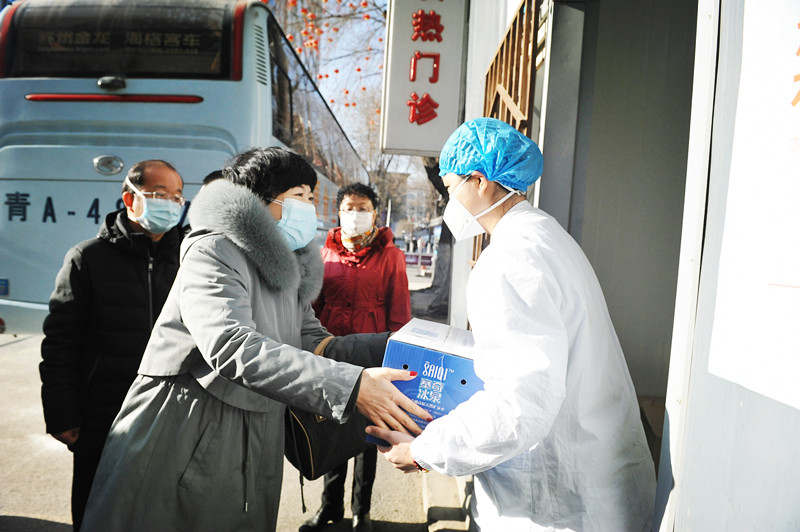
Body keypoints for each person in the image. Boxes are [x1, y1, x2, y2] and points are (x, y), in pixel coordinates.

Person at [79, 147, 430, 532]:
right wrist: (350, 386)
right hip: (188, 427)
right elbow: (230, 343)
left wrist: (392, 348)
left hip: (256, 426)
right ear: (261, 199)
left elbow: (313, 340)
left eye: (311, 198)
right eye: (299, 196)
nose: (309, 208)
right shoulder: (213, 250)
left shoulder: (286, 266)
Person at [367, 118, 657, 532]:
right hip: (596, 479)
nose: (449, 203)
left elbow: (519, 405)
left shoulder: (509, 259)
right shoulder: (547, 236)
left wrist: (424, 450)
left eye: (450, 188)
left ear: (480, 181)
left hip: (557, 502)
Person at [39, 159, 185, 530]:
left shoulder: (190, 259)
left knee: (162, 512)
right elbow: (60, 341)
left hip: (171, 415)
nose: (171, 203)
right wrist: (62, 414)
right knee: (97, 511)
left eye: (178, 196)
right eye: (159, 194)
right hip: (103, 416)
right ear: (130, 199)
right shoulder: (88, 258)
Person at [302, 183, 411, 532]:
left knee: (368, 436)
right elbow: (311, 310)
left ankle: (361, 512)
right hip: (333, 357)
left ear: (375, 213)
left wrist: (399, 364)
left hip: (372, 359)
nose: (355, 214)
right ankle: (329, 506)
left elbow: (400, 317)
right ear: (338, 212)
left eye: (363, 208)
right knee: (332, 430)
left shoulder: (391, 257)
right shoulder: (324, 255)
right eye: (349, 207)